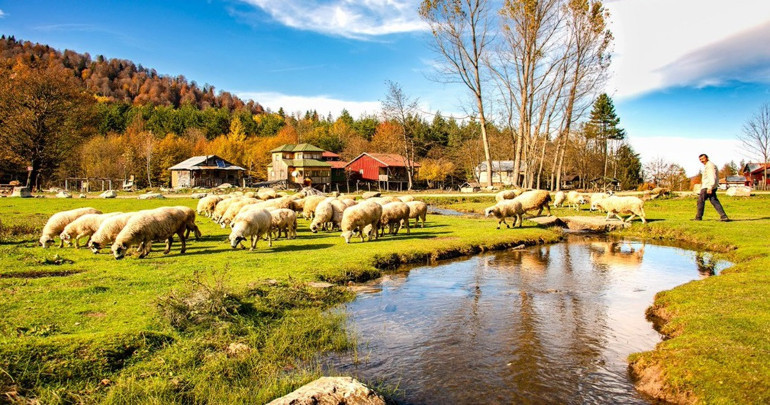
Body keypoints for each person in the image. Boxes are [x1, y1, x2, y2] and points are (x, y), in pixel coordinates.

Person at [693, 154, 729, 221]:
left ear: (707, 158)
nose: (701, 160)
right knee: (714, 201)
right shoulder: (708, 165)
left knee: (700, 201)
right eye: (700, 159)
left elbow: (712, 176)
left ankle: (698, 217)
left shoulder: (710, 165)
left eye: (703, 159)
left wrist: (710, 187)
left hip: (707, 186)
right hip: (709, 186)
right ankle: (724, 216)